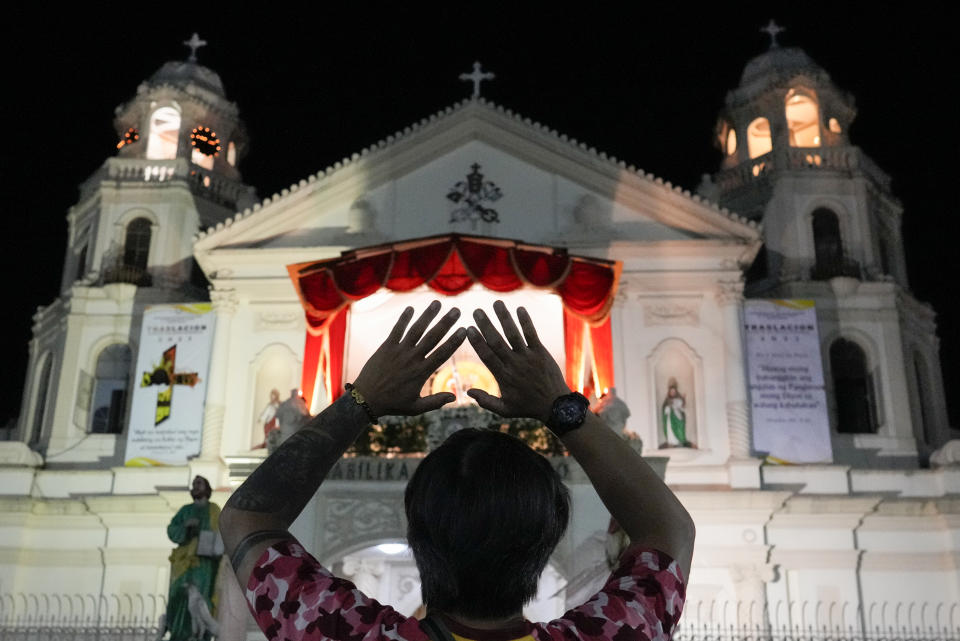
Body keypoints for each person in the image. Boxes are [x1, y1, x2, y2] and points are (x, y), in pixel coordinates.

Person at [220, 300, 695, 641]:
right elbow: (667, 527)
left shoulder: (342, 631)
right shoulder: (613, 632)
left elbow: (247, 519)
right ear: (548, 537)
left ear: (416, 533)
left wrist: (362, 402)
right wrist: (563, 409)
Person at [165, 475, 222, 641]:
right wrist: (185, 526)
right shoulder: (185, 510)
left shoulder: (214, 509)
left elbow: (220, 534)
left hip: (204, 562)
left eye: (199, 484)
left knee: (199, 595)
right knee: (179, 593)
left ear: (207, 488)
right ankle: (178, 632)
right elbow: (172, 530)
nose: (196, 487)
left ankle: (200, 633)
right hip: (183, 561)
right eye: (194, 484)